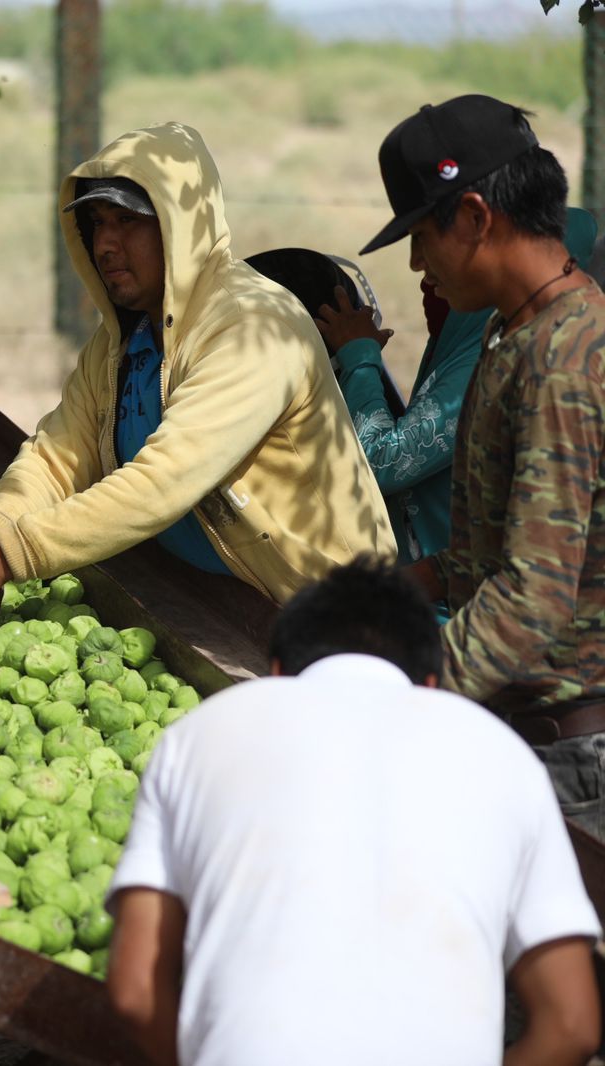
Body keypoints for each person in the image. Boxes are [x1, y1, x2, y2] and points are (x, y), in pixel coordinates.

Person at [105, 559, 601, 1066]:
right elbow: (572, 1025)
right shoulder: (503, 755)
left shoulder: (197, 735)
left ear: (278, 672)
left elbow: (135, 992)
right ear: (430, 682)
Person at [0, 123, 393, 620]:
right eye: (97, 222)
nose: (105, 244)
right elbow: (58, 456)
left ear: (180, 225)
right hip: (223, 606)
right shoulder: (123, 341)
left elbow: (163, 480)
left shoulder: (253, 328)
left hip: (332, 616)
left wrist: (8, 557)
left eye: (127, 220)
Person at [360, 95, 605, 838]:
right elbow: (487, 556)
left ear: (474, 216)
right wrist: (379, 602)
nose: (415, 261)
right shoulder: (515, 334)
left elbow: (532, 598)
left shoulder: (565, 360)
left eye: (421, 233)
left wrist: (406, 693)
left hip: (572, 757)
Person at [318, 208, 598, 563]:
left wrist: (358, 355)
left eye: (428, 241)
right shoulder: (469, 339)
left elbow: (383, 462)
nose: (418, 266)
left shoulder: (487, 364)